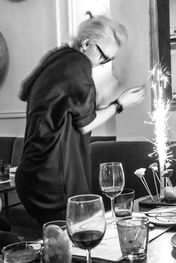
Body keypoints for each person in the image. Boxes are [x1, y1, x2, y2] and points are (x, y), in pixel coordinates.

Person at [15, 14, 145, 226]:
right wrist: (120, 104)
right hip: (53, 180)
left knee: (57, 242)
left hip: (33, 173)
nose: (103, 63)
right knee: (65, 247)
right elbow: (85, 124)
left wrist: (106, 95)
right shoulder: (78, 64)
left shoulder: (57, 58)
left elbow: (64, 111)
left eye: (109, 60)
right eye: (104, 57)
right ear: (86, 43)